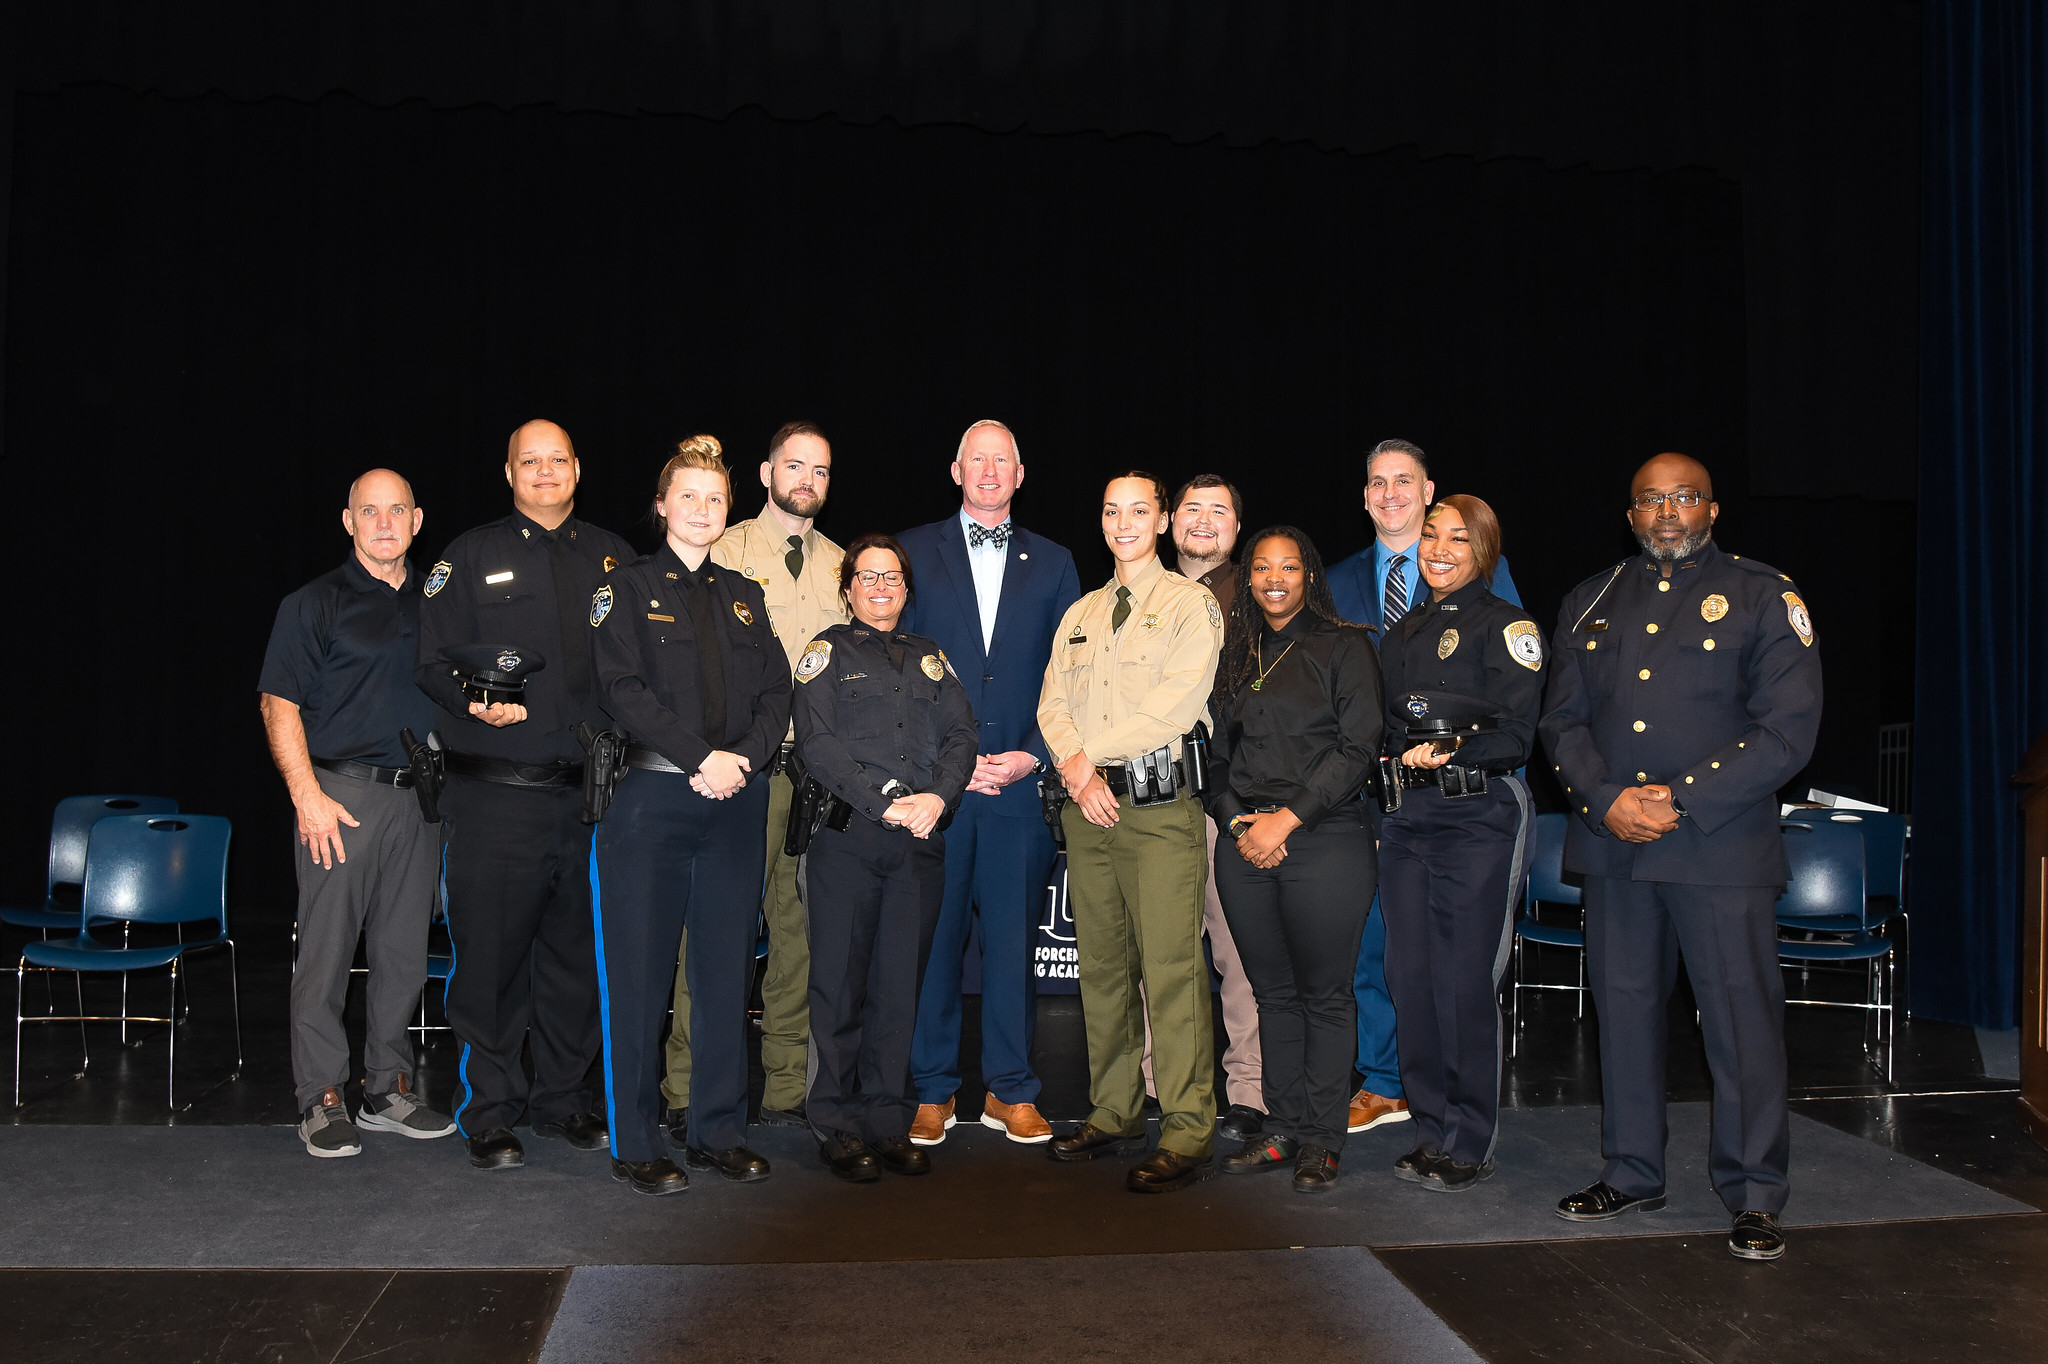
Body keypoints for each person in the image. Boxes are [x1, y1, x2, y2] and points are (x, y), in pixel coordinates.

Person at [1539, 452, 1821, 1263]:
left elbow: (1787, 730)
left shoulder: (1767, 595)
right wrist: (1606, 800)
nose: (1667, 512)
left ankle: (1755, 1192)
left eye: (1684, 498)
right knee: (1622, 1017)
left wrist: (1680, 797)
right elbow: (1561, 722)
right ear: (1629, 516)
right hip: (1614, 845)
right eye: (1650, 501)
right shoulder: (1589, 598)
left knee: (1740, 1023)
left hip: (1719, 848)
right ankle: (1631, 1172)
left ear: (1713, 509)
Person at [415, 419, 634, 1171]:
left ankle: (564, 1099)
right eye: (530, 461)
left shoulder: (616, 558)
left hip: (591, 802)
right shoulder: (468, 555)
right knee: (493, 963)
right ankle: (491, 1110)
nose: (545, 472)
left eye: (558, 460)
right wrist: (470, 701)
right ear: (507, 470)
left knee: (576, 962)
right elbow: (431, 662)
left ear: (579, 468)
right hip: (494, 801)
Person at [588, 436, 792, 1195]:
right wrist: (698, 756)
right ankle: (636, 1142)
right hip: (652, 802)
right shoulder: (626, 589)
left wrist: (738, 757)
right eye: (689, 497)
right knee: (639, 979)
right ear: (662, 505)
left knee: (724, 973)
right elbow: (620, 688)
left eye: (715, 499)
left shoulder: (747, 594)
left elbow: (778, 694)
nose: (703, 510)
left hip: (734, 801)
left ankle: (717, 1131)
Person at [1326, 439, 1524, 1139]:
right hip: (1374, 799)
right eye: (1376, 482)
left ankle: (1461, 1123)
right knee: (1385, 952)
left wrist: (1487, 786)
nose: (1389, 495)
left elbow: (1516, 711)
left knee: (1456, 970)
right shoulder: (1340, 581)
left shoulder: (1494, 596)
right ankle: (1389, 1082)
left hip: (1468, 808)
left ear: (1428, 488)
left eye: (1402, 482)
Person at [660, 421, 846, 1146]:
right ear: (765, 474)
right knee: (714, 936)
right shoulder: (723, 547)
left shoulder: (841, 564)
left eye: (821, 470)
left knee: (800, 938)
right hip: (738, 773)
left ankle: (788, 1086)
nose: (807, 479)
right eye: (794, 465)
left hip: (817, 777)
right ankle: (684, 1086)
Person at [260, 469, 455, 1158]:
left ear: (416, 517)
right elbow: (277, 704)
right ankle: (320, 1097)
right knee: (326, 954)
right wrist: (306, 795)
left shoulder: (441, 599)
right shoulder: (315, 603)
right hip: (339, 798)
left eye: (396, 509)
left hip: (420, 801)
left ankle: (387, 1088)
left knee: (403, 955)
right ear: (348, 521)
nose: (383, 522)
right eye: (368, 510)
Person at [1039, 471, 1224, 1194]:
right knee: (1105, 972)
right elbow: (1052, 701)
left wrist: (1090, 760)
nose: (1124, 522)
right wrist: (1077, 772)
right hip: (1088, 811)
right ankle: (1114, 1110)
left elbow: (1177, 708)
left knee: (1172, 972)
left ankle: (1186, 1129)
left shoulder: (1190, 604)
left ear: (1164, 519)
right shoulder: (1081, 612)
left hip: (1156, 812)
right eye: (1112, 510)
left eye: (1139, 510)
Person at [898, 420, 1080, 1147]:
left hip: (1018, 788)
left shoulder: (1059, 561)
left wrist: (1033, 754)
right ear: (955, 470)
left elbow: (1072, 673)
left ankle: (1011, 1090)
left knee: (1012, 945)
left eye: (1001, 460)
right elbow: (897, 667)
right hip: (940, 791)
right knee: (936, 944)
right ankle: (934, 1090)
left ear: (1020, 472)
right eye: (977, 459)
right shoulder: (911, 553)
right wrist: (944, 766)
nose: (989, 470)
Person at [792, 535, 979, 1180]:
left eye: (893, 578)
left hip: (920, 839)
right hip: (848, 838)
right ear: (848, 587)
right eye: (868, 577)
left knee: (900, 988)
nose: (881, 588)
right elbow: (815, 744)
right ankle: (836, 1123)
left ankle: (886, 1119)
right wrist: (884, 800)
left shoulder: (931, 659)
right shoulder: (825, 653)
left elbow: (962, 734)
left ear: (906, 589)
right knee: (839, 984)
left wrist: (939, 797)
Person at [1206, 527, 1382, 1192]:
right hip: (1244, 841)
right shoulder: (1238, 655)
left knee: (1325, 997)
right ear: (1246, 578)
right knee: (1272, 995)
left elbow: (1359, 747)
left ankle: (1321, 1142)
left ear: (1308, 574)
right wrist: (1235, 822)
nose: (1275, 578)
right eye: (1262, 568)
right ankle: (1282, 1130)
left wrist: (1287, 817)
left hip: (1325, 838)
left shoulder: (1345, 645)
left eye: (1288, 567)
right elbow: (1216, 759)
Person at [1378, 495, 1544, 1192]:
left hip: (1478, 815)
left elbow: (1516, 734)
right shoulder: (1401, 633)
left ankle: (1469, 1137)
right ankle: (1428, 1127)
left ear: (1485, 551)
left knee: (1462, 980)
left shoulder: (1508, 627)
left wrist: (1452, 749)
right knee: (1409, 978)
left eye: (1458, 539)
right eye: (1431, 536)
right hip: (1407, 820)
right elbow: (1388, 729)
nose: (1440, 549)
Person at [1158, 474, 1266, 1141]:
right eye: (1191, 509)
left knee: (1238, 952)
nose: (1203, 520)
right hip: (1153, 797)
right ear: (1170, 522)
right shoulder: (1142, 595)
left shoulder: (1260, 597)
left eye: (1218, 511)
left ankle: (1249, 1089)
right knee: (1161, 952)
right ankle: (1153, 1083)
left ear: (1237, 527)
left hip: (1227, 801)